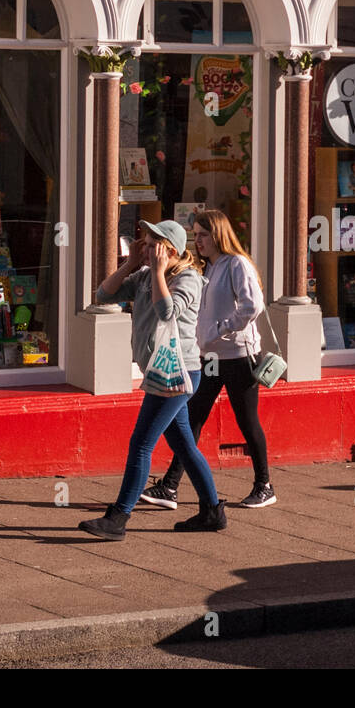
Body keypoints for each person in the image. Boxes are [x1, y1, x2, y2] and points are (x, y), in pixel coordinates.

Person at [77, 219, 227, 540]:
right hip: (161, 370)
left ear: (170, 250)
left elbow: (167, 313)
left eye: (152, 244)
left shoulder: (189, 279)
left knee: (141, 443)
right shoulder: (145, 276)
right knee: (184, 446)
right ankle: (212, 512)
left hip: (176, 371)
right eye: (144, 242)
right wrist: (130, 263)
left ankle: (118, 518)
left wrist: (159, 272)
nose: (146, 248)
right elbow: (104, 295)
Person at [141, 210, 277, 510]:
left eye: (203, 234)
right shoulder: (208, 268)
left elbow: (253, 305)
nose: (197, 241)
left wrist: (221, 328)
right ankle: (170, 486)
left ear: (218, 235)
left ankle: (264, 485)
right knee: (193, 418)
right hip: (210, 357)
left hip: (240, 356)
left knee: (247, 421)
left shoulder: (236, 264)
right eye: (195, 235)